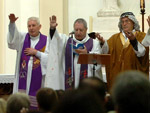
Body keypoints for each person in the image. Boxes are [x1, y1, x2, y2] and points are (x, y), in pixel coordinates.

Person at [44, 16, 108, 90]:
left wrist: (87, 54)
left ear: (86, 30)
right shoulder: (67, 41)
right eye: (76, 30)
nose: (78, 32)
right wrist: (53, 29)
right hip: (70, 80)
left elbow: (98, 64)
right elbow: (56, 41)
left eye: (81, 30)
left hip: (88, 82)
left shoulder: (94, 43)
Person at [97, 12, 149, 91]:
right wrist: (102, 42)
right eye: (122, 22)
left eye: (127, 21)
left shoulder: (142, 36)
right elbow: (106, 52)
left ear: (133, 22)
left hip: (134, 78)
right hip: (118, 77)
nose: (124, 24)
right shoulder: (115, 38)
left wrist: (133, 41)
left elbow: (142, 53)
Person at [7, 13, 50, 108]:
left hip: (39, 80)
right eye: (29, 26)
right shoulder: (22, 38)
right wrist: (12, 23)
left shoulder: (47, 40)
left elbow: (50, 59)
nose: (31, 28)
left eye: (33, 25)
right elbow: (12, 40)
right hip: (23, 76)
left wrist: (36, 53)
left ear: (40, 27)